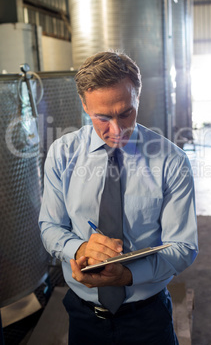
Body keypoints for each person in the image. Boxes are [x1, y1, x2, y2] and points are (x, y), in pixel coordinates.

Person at [39, 51, 198, 345]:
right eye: (103, 117)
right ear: (85, 105)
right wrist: (79, 248)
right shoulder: (63, 154)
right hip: (83, 317)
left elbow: (184, 247)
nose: (116, 129)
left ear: (137, 97)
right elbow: (49, 226)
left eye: (126, 112)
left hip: (148, 320)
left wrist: (125, 275)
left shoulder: (171, 161)